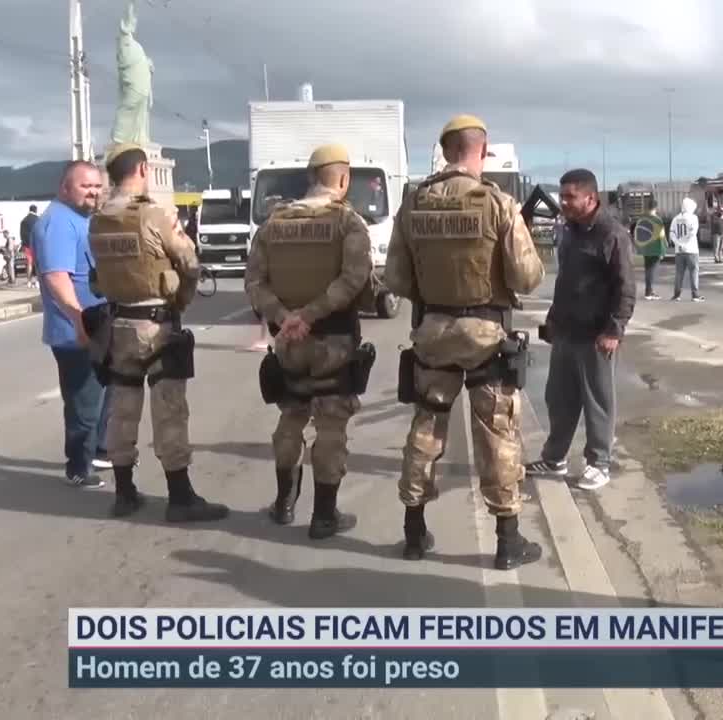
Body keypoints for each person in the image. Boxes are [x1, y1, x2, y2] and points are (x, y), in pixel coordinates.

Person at [386, 115, 544, 568]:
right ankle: (508, 541)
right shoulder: (498, 203)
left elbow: (395, 277)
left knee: (426, 427)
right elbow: (527, 277)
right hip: (485, 336)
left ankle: (413, 531)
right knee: (497, 433)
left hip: (433, 333)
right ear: (483, 148)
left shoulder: (414, 203)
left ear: (444, 148)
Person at [88, 143, 228, 522]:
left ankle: (124, 492)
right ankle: (180, 497)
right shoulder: (154, 214)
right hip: (156, 325)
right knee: (169, 411)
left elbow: (98, 277)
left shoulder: (99, 219)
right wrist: (181, 300)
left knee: (122, 410)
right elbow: (189, 262)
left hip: (118, 326)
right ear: (144, 169)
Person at [244, 143, 372, 537]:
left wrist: (286, 318)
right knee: (330, 426)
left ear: (310, 177)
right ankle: (324, 516)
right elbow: (354, 280)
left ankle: (283, 505)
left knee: (291, 417)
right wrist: (312, 315)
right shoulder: (348, 223)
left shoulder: (272, 223)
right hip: (333, 340)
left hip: (289, 343)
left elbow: (254, 283)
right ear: (344, 179)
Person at [525, 167, 635, 491]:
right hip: (566, 332)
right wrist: (553, 319)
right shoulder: (570, 231)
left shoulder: (612, 234)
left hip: (596, 336)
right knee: (558, 399)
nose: (564, 202)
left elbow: (626, 288)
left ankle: (598, 463)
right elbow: (566, 281)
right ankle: (555, 458)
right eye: (562, 196)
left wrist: (614, 330)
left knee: (598, 402)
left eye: (570, 197)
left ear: (591, 198)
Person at [34, 162, 113, 487]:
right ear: (65, 187)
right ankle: (79, 467)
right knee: (84, 401)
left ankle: (98, 450)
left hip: (99, 323)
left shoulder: (81, 218)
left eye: (97, 186)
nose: (93, 192)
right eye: (85, 186)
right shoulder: (57, 222)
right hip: (76, 330)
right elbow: (56, 277)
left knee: (105, 393)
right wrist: (79, 319)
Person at [670, 197, 703, 301]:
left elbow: (671, 233)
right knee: (694, 272)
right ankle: (695, 295)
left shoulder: (675, 218)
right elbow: (693, 233)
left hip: (679, 251)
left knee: (679, 273)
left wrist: (679, 244)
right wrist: (686, 244)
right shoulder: (694, 218)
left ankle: (677, 295)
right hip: (691, 250)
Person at [636, 206, 666, 300]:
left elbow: (638, 234)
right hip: (655, 249)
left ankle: (648, 291)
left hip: (646, 249)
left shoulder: (641, 219)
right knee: (652, 271)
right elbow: (661, 236)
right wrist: (663, 250)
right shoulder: (657, 220)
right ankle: (649, 292)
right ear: (655, 208)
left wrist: (640, 248)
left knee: (647, 270)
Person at [20, 204, 39, 288]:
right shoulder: (38, 220)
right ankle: (37, 281)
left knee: (29, 263)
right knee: (37, 264)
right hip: (37, 245)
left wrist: (25, 243)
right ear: (36, 210)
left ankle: (28, 281)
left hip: (27, 246)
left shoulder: (23, 220)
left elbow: (22, 235)